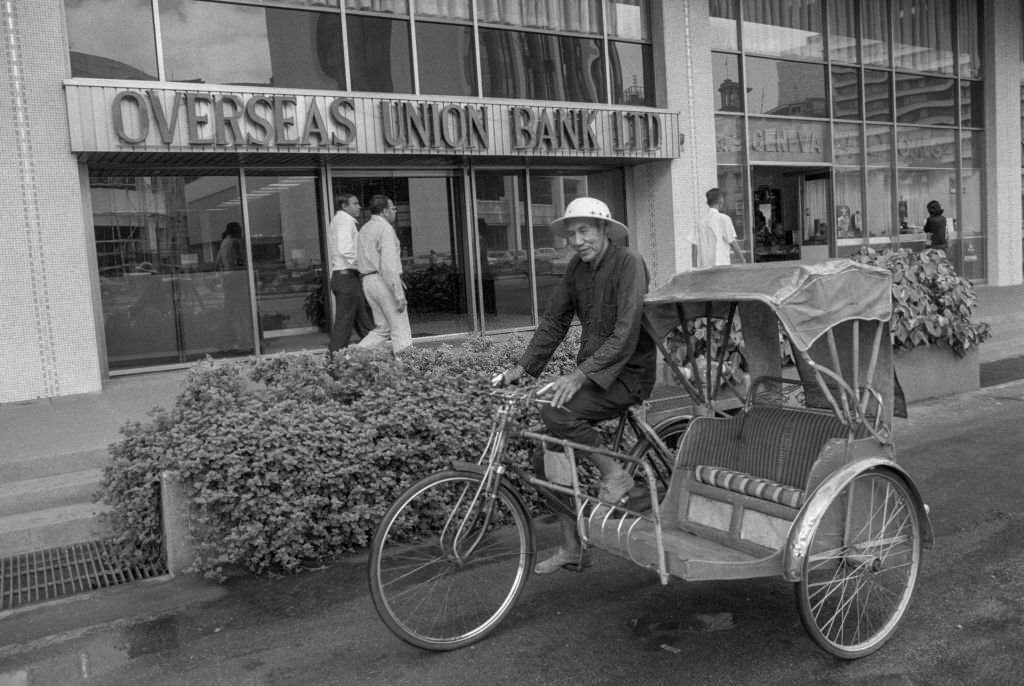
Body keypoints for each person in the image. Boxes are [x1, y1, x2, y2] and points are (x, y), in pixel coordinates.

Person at [495, 197, 657, 575]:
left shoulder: (629, 263)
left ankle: (615, 474)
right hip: (597, 372)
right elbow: (555, 322)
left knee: (555, 409)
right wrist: (523, 367)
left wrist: (578, 375)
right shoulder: (576, 270)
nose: (578, 240)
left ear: (604, 230)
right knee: (545, 453)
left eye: (585, 231)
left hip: (629, 374)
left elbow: (626, 332)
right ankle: (573, 548)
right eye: (571, 234)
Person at [356, 195, 412, 354]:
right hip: (383, 281)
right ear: (385, 211)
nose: (395, 212)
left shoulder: (364, 228)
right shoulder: (385, 229)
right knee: (399, 327)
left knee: (383, 328)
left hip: (367, 281)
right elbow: (388, 265)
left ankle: (350, 357)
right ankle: (406, 368)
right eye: (394, 208)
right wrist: (399, 294)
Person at [327, 193, 374, 352]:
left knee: (363, 322)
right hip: (346, 276)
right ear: (344, 206)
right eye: (355, 203)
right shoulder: (344, 221)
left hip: (347, 277)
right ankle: (334, 359)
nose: (359, 206)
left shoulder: (343, 221)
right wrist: (362, 264)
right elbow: (345, 249)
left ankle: (375, 353)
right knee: (344, 323)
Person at [215, 221, 252, 350]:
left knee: (230, 311)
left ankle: (228, 339)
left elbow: (217, 261)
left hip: (227, 278)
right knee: (243, 310)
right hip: (237, 278)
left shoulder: (224, 242)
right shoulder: (236, 242)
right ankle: (245, 340)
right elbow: (241, 260)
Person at [696, 188, 745, 267]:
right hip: (721, 265)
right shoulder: (724, 219)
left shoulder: (701, 222)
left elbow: (695, 246)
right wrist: (743, 260)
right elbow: (732, 242)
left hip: (704, 267)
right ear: (721, 201)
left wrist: (695, 266)